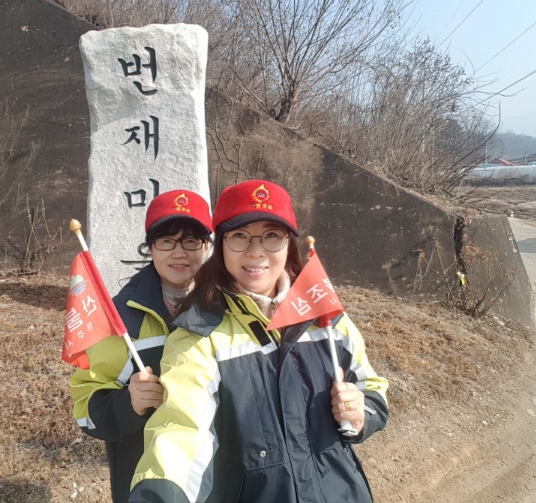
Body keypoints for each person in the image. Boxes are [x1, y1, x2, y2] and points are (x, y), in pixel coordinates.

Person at [128, 180, 389, 503]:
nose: (256, 252)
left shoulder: (326, 318)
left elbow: (372, 388)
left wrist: (361, 413)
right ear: (220, 246)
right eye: (239, 236)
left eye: (272, 235)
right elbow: (181, 429)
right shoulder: (198, 334)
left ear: (289, 244)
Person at [70, 189, 213, 503]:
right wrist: (129, 404)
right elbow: (85, 409)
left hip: (219, 478)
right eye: (166, 241)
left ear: (206, 247)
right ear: (150, 248)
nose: (179, 252)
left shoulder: (225, 311)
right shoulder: (120, 320)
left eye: (191, 240)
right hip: (146, 484)